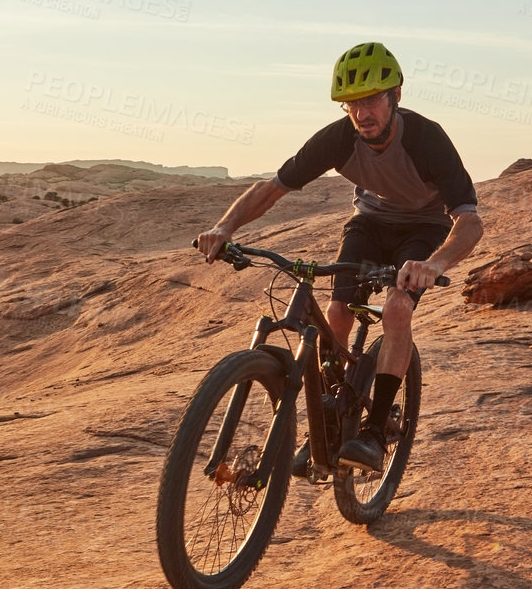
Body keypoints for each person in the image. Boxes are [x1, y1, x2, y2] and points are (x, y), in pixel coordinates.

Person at [197, 41, 483, 473]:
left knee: (398, 307)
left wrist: (436, 264)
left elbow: (469, 220)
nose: (362, 113)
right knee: (335, 314)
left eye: (371, 99)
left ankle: (372, 434)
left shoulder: (427, 139)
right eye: (351, 104)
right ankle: (330, 421)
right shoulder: (338, 138)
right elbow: (273, 187)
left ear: (396, 95)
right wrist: (225, 227)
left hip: (423, 227)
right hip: (368, 224)